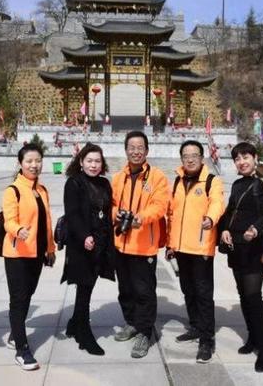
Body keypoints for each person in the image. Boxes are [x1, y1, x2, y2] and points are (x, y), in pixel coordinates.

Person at [111, 130, 170, 358]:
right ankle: (131, 322)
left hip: (144, 244)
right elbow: (111, 204)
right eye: (132, 147)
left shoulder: (157, 177)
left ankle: (145, 331)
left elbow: (160, 205)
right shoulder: (118, 178)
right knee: (125, 289)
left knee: (144, 291)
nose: (136, 151)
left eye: (140, 147)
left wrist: (140, 217)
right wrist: (117, 214)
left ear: (147, 150)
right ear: (126, 150)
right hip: (121, 244)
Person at [218, 142, 263, 373]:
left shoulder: (262, 182)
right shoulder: (238, 183)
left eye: (245, 157)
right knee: (243, 295)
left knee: (253, 297)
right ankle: (252, 338)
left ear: (255, 158)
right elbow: (230, 211)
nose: (241, 162)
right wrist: (223, 228)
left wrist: (255, 229)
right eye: (237, 159)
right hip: (237, 247)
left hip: (254, 248)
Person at [166, 140, 225, 363]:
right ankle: (195, 326)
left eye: (194, 155)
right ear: (182, 159)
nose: (190, 159)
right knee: (188, 290)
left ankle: (207, 339)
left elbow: (217, 203)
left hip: (201, 247)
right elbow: (172, 214)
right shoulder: (178, 181)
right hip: (181, 248)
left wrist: (211, 217)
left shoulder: (212, 180)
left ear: (202, 158)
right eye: (186, 155)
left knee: (203, 294)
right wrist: (171, 245)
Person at [2, 143, 57, 371]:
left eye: (37, 161)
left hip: (37, 253)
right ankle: (22, 349)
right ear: (20, 164)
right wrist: (18, 230)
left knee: (27, 295)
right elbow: (9, 220)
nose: (34, 165)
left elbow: (47, 222)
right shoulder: (13, 190)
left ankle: (16, 333)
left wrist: (50, 248)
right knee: (19, 298)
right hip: (17, 253)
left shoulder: (41, 190)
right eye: (29, 161)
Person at [61, 143, 116, 355]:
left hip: (101, 242)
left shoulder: (104, 183)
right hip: (81, 243)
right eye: (90, 161)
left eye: (97, 161)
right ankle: (84, 334)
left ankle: (75, 322)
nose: (94, 165)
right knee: (84, 287)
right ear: (81, 162)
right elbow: (72, 214)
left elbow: (107, 210)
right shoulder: (74, 183)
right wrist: (85, 236)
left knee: (88, 286)